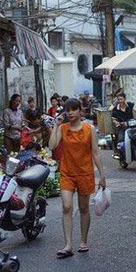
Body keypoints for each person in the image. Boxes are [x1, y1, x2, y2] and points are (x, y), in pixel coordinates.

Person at [49, 98, 106, 259]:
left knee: (84, 208)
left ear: (81, 111)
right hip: (67, 173)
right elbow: (52, 146)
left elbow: (95, 152)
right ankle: (68, 245)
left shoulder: (89, 129)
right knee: (67, 207)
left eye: (74, 109)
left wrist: (102, 175)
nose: (71, 113)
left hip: (85, 173)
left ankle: (83, 241)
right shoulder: (63, 128)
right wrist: (56, 125)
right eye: (68, 110)